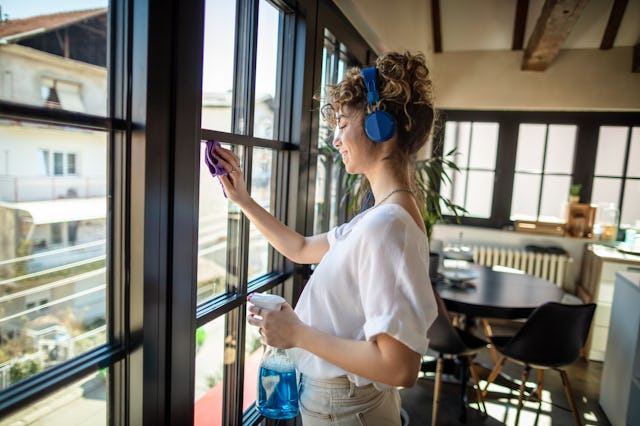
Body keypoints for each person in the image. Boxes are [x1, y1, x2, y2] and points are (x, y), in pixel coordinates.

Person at [213, 51, 438, 425]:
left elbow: (400, 368)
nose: (335, 139)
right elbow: (299, 248)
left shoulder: (388, 226)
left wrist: (297, 333)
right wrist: (242, 199)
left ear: (379, 126)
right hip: (347, 405)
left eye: (343, 123)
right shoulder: (379, 217)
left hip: (348, 411)